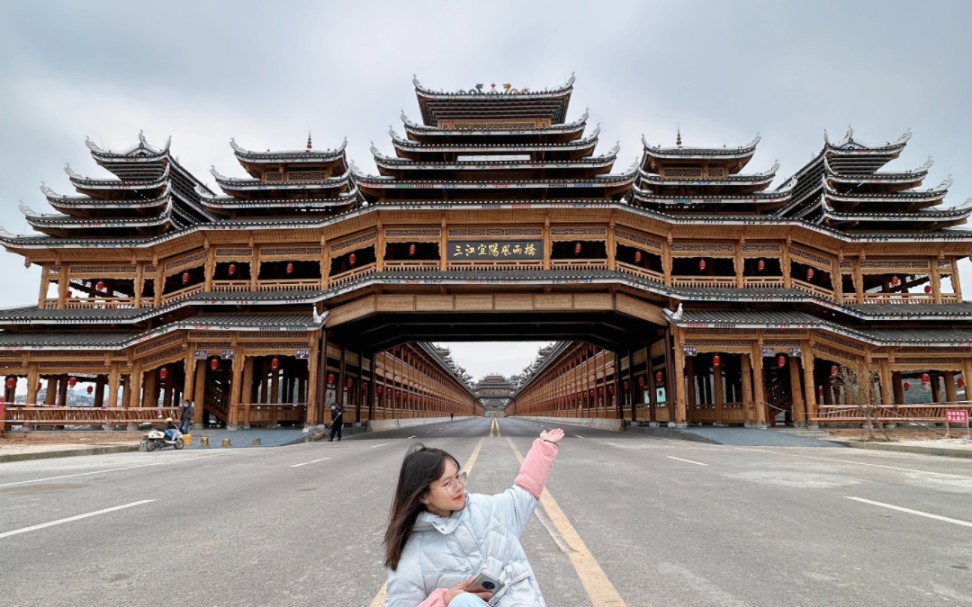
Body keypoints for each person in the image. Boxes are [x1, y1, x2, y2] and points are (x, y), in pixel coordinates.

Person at [383, 427, 565, 606]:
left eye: (457, 477)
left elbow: (523, 494)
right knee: (462, 602)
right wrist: (444, 601)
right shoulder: (411, 555)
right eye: (447, 483)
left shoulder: (485, 509)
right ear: (423, 495)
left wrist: (544, 447)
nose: (458, 486)